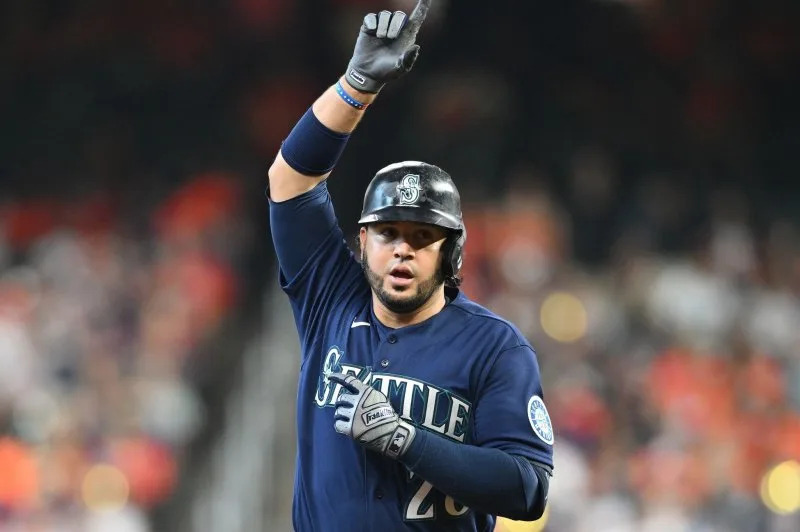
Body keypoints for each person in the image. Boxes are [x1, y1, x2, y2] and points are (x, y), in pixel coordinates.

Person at [267, 1, 553, 530]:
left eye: (423, 237)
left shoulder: (495, 347)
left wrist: (409, 439)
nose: (403, 249)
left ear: (452, 252)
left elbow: (527, 486)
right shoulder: (332, 299)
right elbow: (290, 181)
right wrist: (356, 86)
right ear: (363, 241)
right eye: (388, 233)